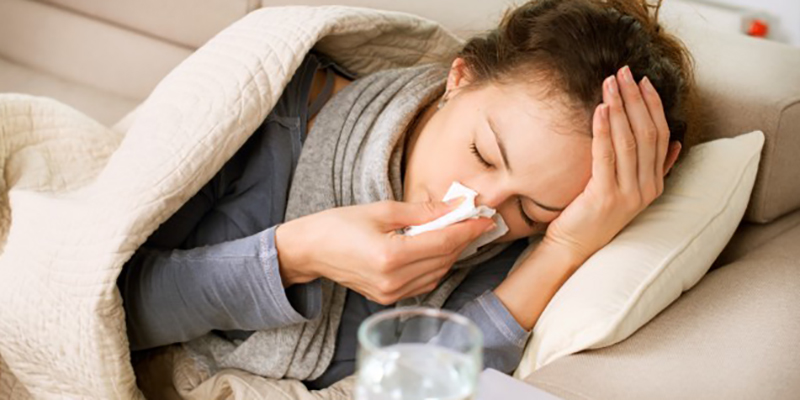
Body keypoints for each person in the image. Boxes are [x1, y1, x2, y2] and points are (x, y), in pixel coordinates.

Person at [117, 0, 696, 390]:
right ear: (458, 80)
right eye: (484, 155)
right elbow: (106, 306)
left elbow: (426, 388)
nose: (484, 206)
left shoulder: (512, 250)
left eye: (533, 207)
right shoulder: (264, 115)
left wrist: (561, 247)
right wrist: (295, 256)